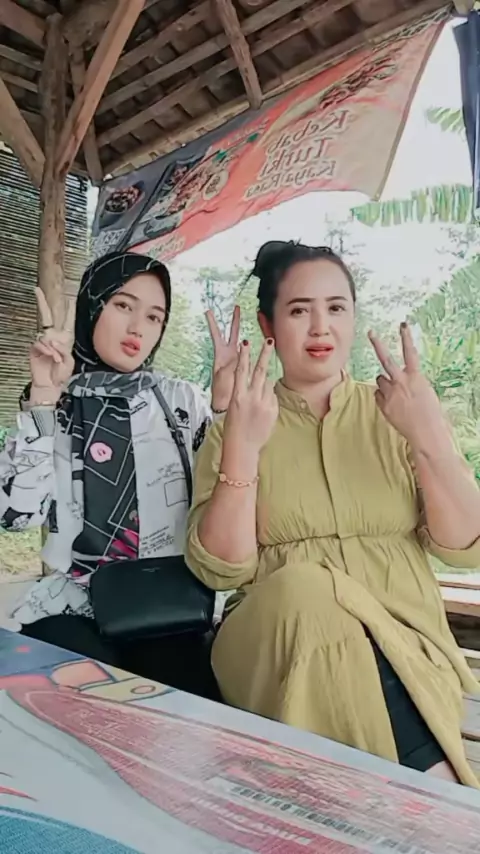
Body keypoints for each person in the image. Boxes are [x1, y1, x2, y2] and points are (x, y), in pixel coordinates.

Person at [185, 240, 480, 786]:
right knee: (308, 591)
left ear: (353, 317)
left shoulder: (398, 415)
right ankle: (435, 790)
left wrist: (430, 438)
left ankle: (368, 801)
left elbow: (465, 547)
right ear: (268, 326)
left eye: (336, 307)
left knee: (365, 650)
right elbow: (221, 570)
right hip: (275, 646)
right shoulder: (236, 427)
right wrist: (243, 449)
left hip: (407, 646)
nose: (321, 327)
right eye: (300, 310)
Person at [0, 250, 239, 695]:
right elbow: (16, 515)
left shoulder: (180, 403)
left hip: (166, 604)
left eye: (153, 317)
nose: (137, 328)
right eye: (123, 305)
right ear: (93, 306)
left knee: (183, 707)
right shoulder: (57, 403)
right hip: (71, 607)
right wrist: (43, 398)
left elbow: (227, 498)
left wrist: (226, 409)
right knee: (77, 699)